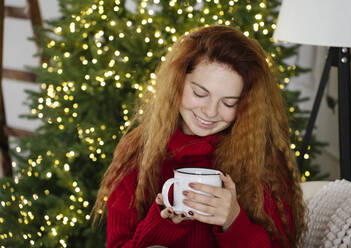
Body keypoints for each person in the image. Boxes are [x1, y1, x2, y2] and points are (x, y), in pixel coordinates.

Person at [92, 25, 306, 248]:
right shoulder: (137, 150)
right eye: (200, 93)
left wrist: (233, 221)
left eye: (229, 102)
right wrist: (165, 223)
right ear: (178, 82)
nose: (210, 111)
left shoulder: (264, 157)